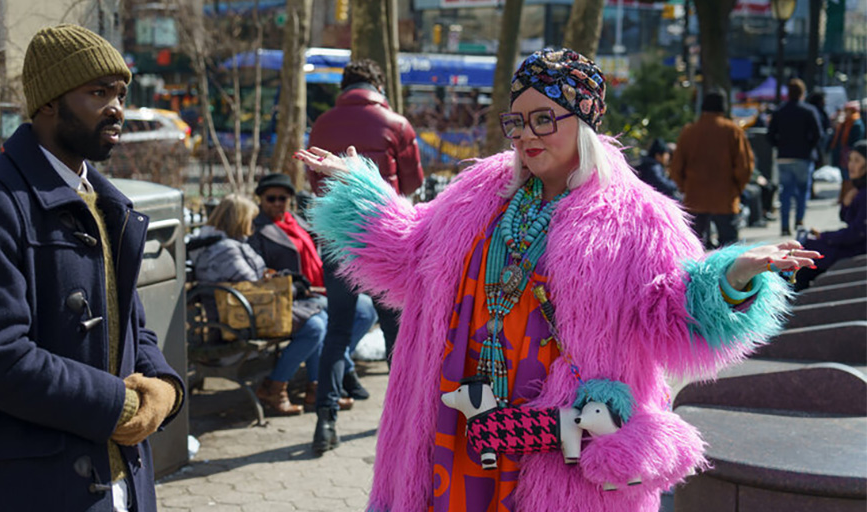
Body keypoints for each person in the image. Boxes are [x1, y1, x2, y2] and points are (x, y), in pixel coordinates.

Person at [296, 47, 818, 512]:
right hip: (459, 406)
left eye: (543, 119)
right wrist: (360, 194)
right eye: (516, 122)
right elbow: (411, 251)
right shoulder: (481, 189)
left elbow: (669, 309)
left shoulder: (638, 217)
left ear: (584, 121)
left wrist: (731, 278)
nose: (526, 134)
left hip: (559, 428)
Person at [0, 25, 184, 512]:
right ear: (48, 103)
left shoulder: (108, 204)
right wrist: (118, 406)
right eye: (98, 93)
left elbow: (133, 327)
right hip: (27, 488)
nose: (117, 108)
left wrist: (165, 388)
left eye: (120, 94)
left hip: (119, 480)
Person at [303, 58, 424, 454]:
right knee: (395, 332)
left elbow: (316, 180)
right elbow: (412, 184)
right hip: (383, 242)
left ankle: (325, 422)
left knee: (337, 328)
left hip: (337, 238)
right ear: (379, 86)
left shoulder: (321, 125)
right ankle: (404, 423)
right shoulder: (396, 124)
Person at [191, 194, 336, 415]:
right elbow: (253, 288)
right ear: (238, 220)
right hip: (237, 320)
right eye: (249, 219)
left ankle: (313, 386)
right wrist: (293, 288)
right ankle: (277, 387)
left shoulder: (229, 244)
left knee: (320, 318)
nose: (252, 224)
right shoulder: (225, 249)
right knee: (315, 325)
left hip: (247, 311)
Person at [246, 173, 376, 410]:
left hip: (322, 288)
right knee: (323, 322)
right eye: (271, 198)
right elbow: (260, 270)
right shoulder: (256, 230)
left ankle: (338, 362)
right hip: (293, 295)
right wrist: (297, 286)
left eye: (282, 199)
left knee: (367, 309)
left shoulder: (298, 221)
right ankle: (325, 381)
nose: (277, 203)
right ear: (261, 200)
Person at [671, 88, 755, 248]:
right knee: (729, 248)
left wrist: (685, 187)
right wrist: (737, 189)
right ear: (723, 108)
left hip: (694, 195)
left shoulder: (689, 132)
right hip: (725, 196)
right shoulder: (733, 131)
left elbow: (676, 167)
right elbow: (744, 166)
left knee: (692, 247)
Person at [797, 140, 867, 290]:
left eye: (857, 160)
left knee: (808, 256)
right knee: (805, 251)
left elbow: (857, 232)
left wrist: (825, 236)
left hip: (858, 250)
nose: (851, 165)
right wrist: (847, 203)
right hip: (854, 245)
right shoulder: (859, 189)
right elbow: (848, 220)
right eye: (850, 160)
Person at [768, 78, 824, 236]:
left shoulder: (779, 111)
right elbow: (818, 133)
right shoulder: (809, 110)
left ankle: (784, 225)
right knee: (802, 191)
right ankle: (799, 220)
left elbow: (770, 134)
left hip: (784, 156)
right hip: (803, 156)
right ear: (802, 93)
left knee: (785, 191)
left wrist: (779, 145)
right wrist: (809, 147)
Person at [829, 101, 865, 203]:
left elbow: (855, 140)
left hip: (850, 153)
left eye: (848, 111)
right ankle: (844, 197)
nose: (846, 113)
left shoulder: (856, 123)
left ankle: (848, 197)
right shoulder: (845, 122)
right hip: (844, 153)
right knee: (844, 176)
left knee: (849, 177)